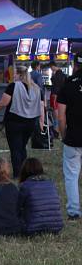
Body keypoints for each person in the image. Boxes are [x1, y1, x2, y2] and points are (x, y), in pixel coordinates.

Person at [0, 66, 45, 176]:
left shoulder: (13, 86)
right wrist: (41, 122)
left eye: (15, 74)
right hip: (30, 122)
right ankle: (25, 171)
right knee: (22, 147)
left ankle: (17, 173)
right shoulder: (37, 88)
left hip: (14, 121)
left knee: (15, 148)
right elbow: (41, 107)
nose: (13, 76)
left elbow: (3, 103)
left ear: (19, 75)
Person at [57, 59, 82, 219]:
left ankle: (74, 211)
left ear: (75, 66)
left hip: (73, 137)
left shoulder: (67, 85)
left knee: (71, 176)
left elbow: (61, 116)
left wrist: (63, 133)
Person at [18, 158, 63, 235]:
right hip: (56, 227)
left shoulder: (25, 186)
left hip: (31, 228)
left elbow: (17, 207)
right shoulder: (51, 184)